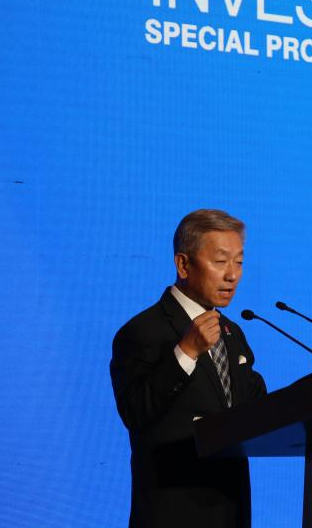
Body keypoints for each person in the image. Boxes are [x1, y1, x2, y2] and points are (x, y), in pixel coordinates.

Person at [110, 209, 267, 528]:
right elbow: (135, 413)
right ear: (183, 265)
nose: (232, 275)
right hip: (173, 513)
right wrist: (186, 352)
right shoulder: (142, 331)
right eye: (220, 261)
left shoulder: (233, 334)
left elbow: (255, 411)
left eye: (238, 262)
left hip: (231, 512)